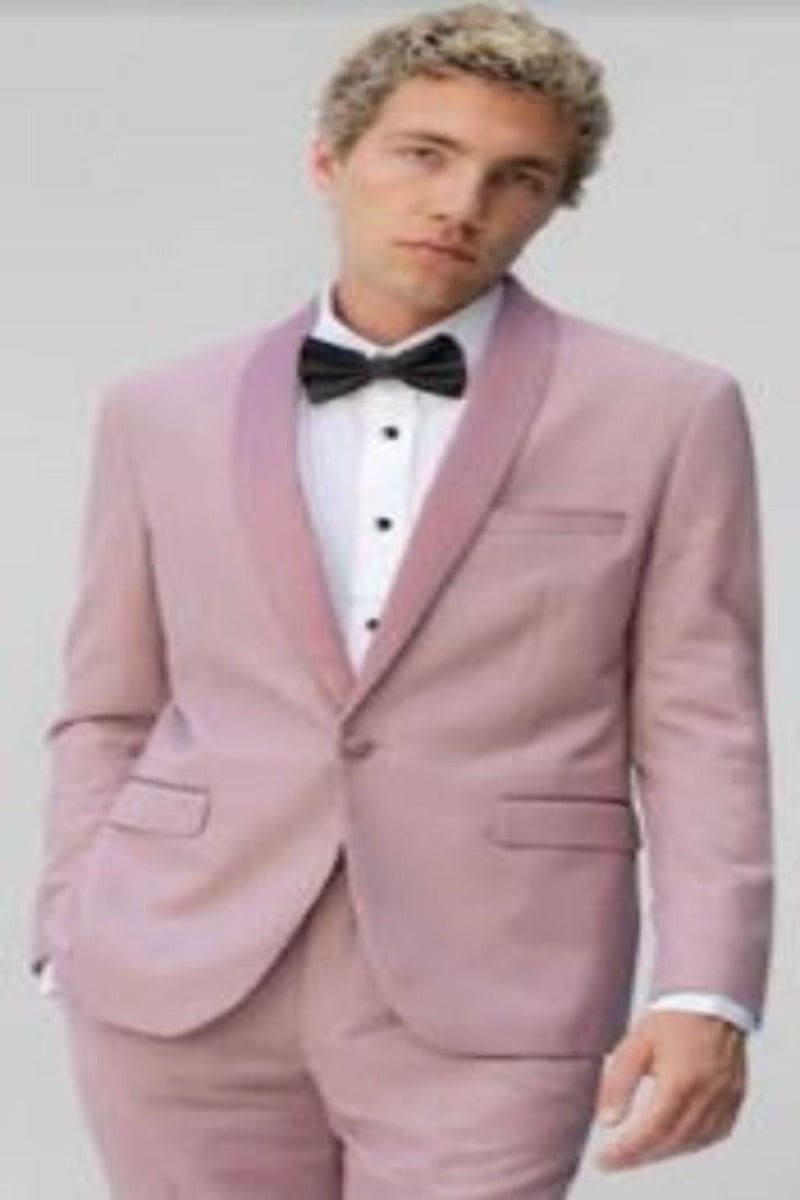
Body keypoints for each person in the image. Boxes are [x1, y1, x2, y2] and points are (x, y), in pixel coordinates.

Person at [28, 3, 773, 1197]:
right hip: (178, 974)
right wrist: (70, 926)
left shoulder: (664, 413)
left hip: (499, 976)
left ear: (552, 204)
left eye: (516, 177)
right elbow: (110, 703)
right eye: (424, 153)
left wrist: (705, 987)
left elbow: (701, 724)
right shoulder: (157, 412)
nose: (460, 203)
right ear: (329, 161)